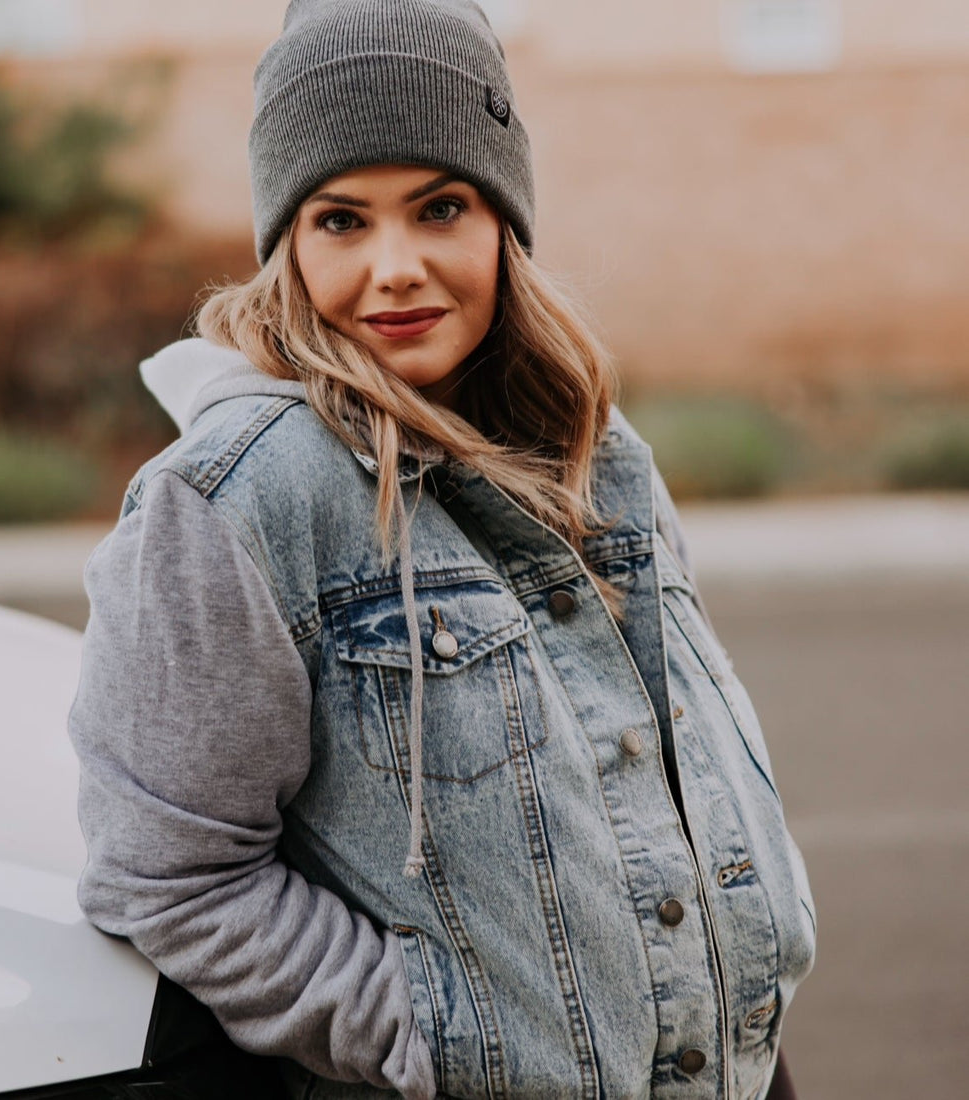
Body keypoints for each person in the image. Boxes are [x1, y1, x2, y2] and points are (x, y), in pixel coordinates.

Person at [68, 2, 816, 1098]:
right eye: (341, 220)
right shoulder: (235, 497)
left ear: (502, 220)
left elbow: (667, 775)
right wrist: (437, 1032)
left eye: (439, 206)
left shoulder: (595, 452)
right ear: (286, 237)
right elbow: (169, 877)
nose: (395, 266)